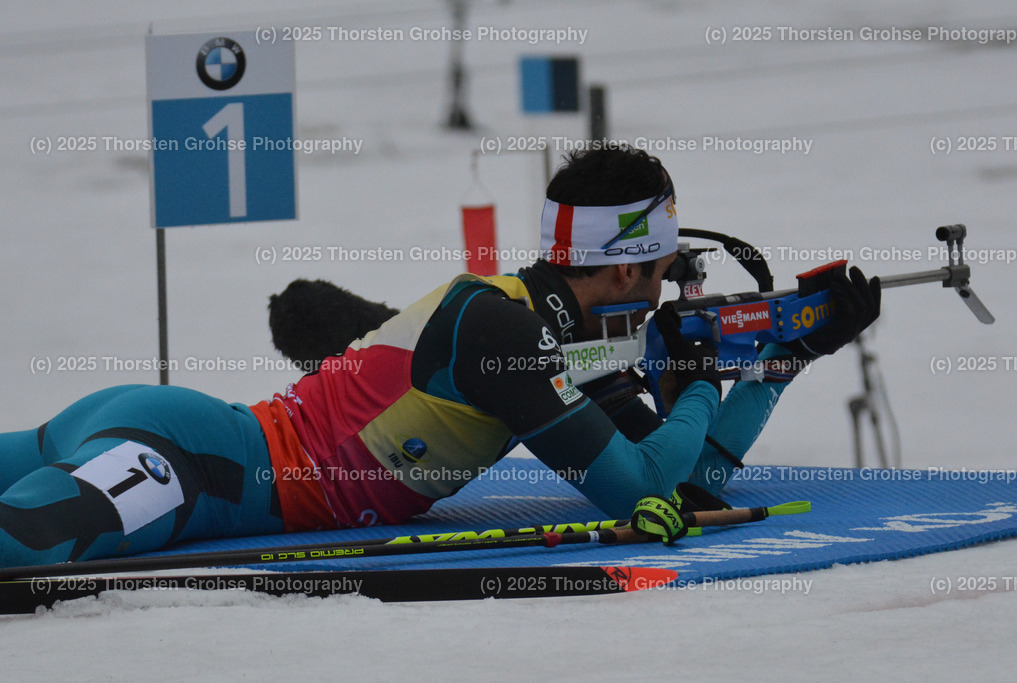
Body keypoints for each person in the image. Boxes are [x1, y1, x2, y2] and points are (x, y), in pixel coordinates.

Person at [0, 145, 880, 568]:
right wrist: (695, 376)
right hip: (205, 467)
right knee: (37, 542)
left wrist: (778, 361)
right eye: (663, 266)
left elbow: (686, 483)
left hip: (183, 442)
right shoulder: (507, 334)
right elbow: (641, 488)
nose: (668, 284)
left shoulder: (556, 333)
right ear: (622, 263)